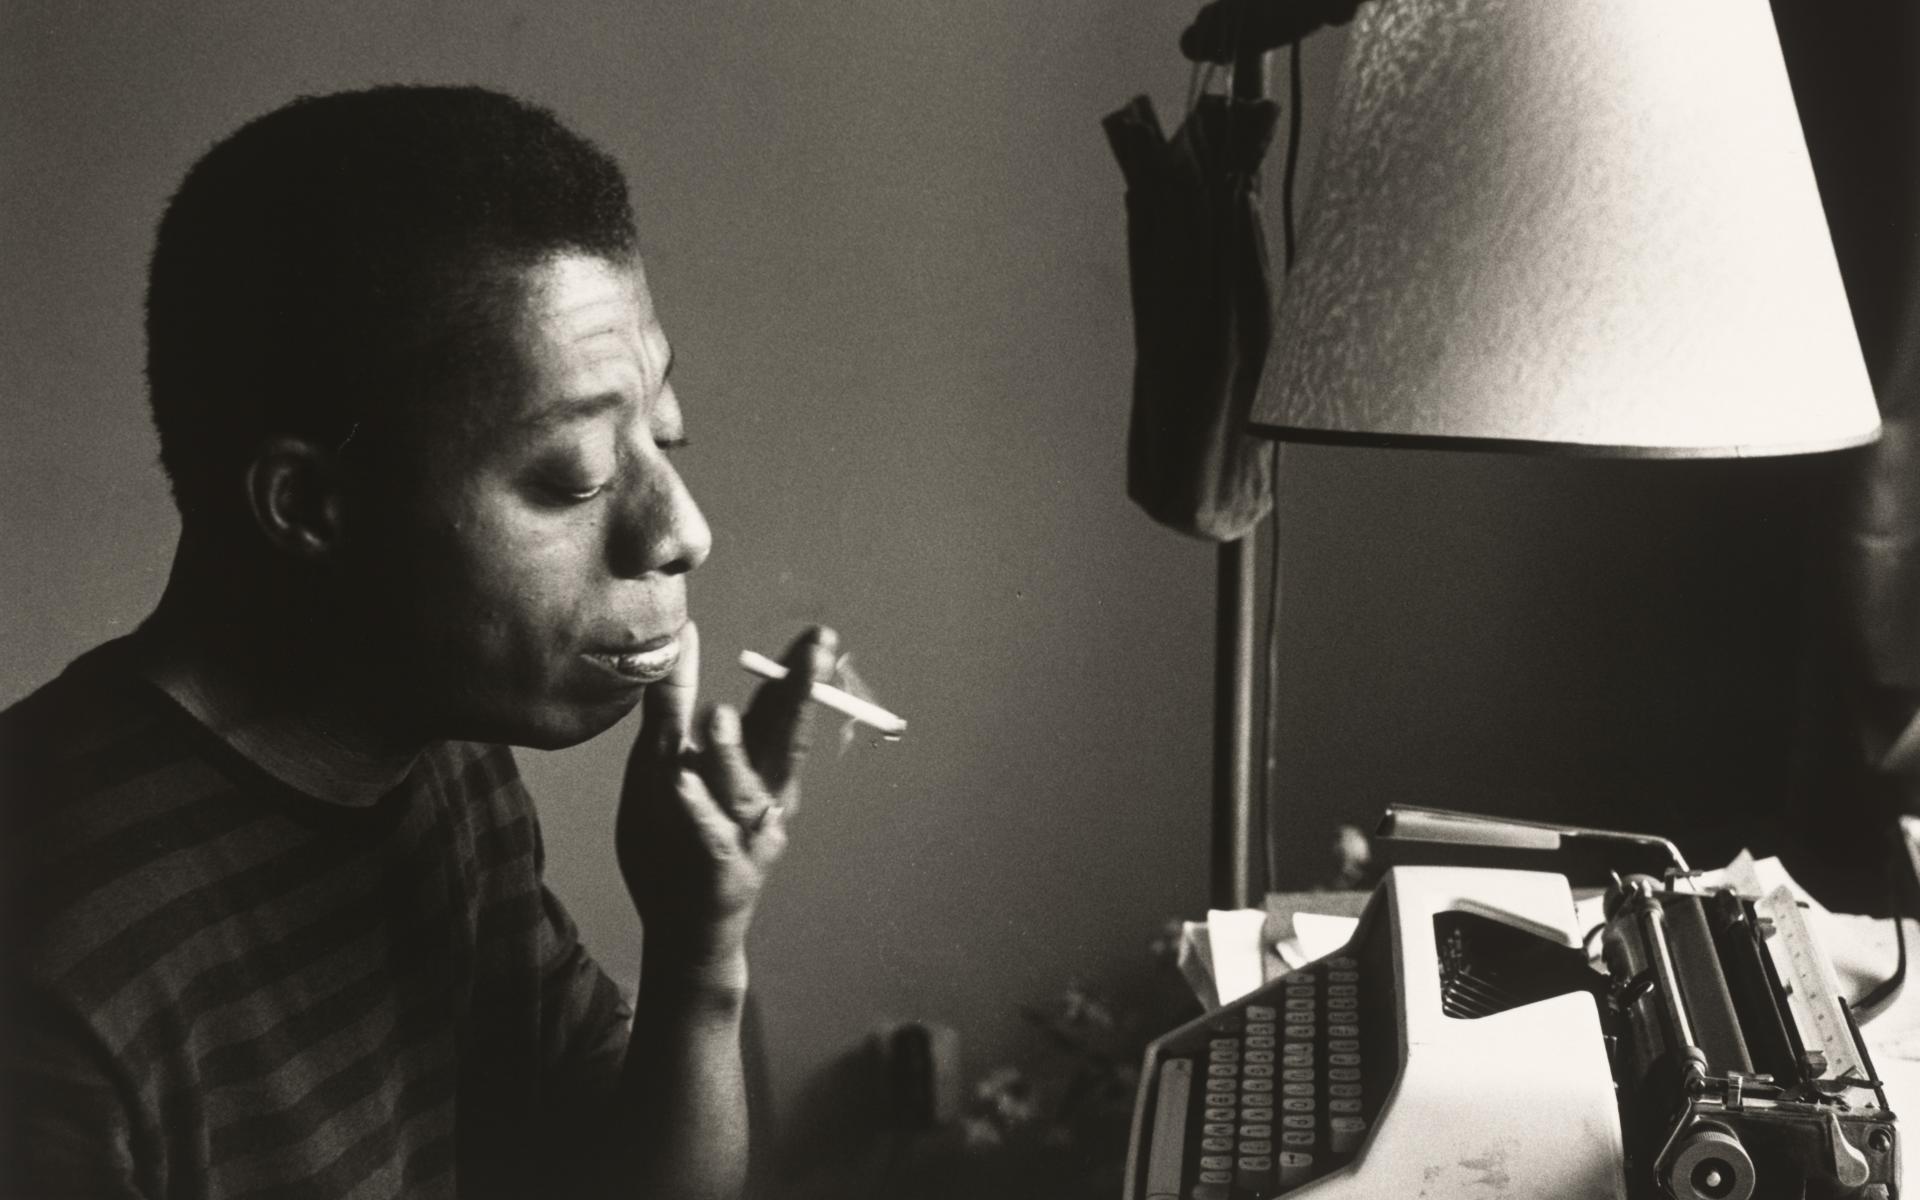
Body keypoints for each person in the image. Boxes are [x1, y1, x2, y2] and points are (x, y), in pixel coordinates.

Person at [0, 84, 832, 1199]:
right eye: (570, 477)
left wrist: (699, 954)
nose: (683, 530)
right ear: (308, 508)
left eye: (661, 434)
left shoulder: (446, 767)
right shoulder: (57, 972)